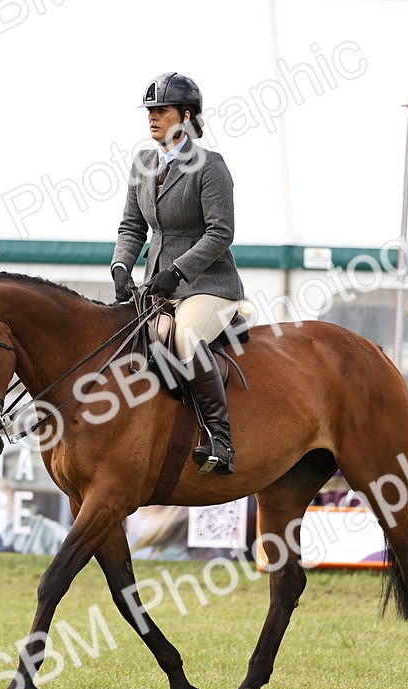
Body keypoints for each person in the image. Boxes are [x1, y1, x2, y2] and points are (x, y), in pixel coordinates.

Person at [109, 72, 244, 476]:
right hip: (158, 284)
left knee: (185, 336)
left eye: (162, 110)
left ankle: (220, 440)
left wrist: (178, 270)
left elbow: (221, 232)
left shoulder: (210, 166)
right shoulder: (143, 164)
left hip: (208, 284)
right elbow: (132, 227)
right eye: (150, 111)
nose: (152, 117)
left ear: (185, 116)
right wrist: (121, 266)